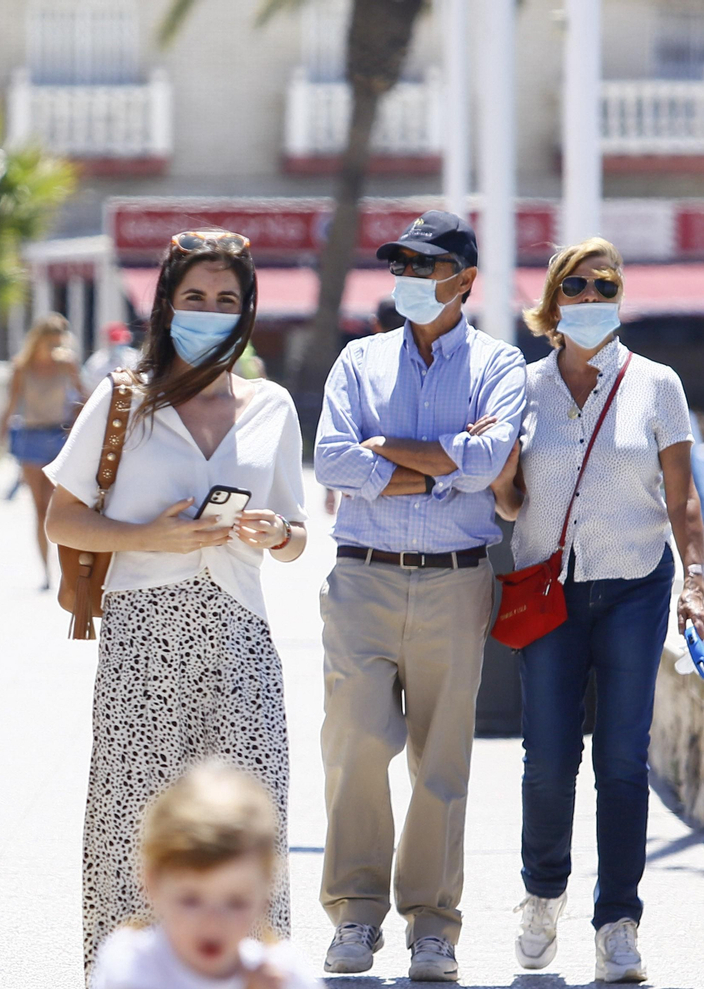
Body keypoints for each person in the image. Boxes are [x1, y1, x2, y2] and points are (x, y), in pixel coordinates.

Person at [44, 229, 309, 977]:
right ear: (166, 303)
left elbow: (296, 537)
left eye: (227, 299)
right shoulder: (123, 397)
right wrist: (147, 536)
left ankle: (254, 972)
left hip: (240, 631)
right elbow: (62, 516)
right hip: (143, 633)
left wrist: (274, 530)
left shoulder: (273, 406)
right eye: (195, 296)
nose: (211, 311)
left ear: (248, 309)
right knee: (131, 822)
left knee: (250, 820)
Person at [313, 210, 525, 983]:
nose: (407, 277)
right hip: (361, 575)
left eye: (425, 265)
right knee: (357, 745)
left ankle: (433, 925)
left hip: (456, 581)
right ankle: (356, 915)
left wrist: (387, 453)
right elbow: (333, 459)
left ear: (465, 280)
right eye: (400, 264)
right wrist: (443, 462)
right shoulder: (356, 360)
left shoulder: (501, 366)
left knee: (442, 761)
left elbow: (490, 459)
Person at [489, 237, 704, 984]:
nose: (591, 296)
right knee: (547, 760)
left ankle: (618, 921)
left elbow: (682, 495)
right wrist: (503, 479)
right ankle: (542, 895)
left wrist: (696, 577)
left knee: (621, 759)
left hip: (635, 585)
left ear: (618, 296)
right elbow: (511, 500)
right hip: (550, 590)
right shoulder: (520, 385)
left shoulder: (657, 384)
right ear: (553, 301)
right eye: (575, 285)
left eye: (604, 284)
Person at [90, 763, 325, 989]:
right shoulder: (132, 968)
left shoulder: (284, 974)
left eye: (235, 902)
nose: (213, 922)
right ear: (152, 884)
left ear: (265, 893)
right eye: (191, 900)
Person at [0, 314, 84, 588]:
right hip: (31, 439)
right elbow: (10, 405)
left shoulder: (66, 365)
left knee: (64, 509)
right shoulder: (21, 367)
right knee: (39, 509)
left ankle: (66, 572)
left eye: (60, 341)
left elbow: (86, 396)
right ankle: (46, 573)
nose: (57, 346)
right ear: (40, 340)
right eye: (52, 341)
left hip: (60, 438)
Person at [80, 321, 140, 393]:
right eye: (115, 342)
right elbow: (87, 385)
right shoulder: (97, 361)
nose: (118, 345)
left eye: (121, 342)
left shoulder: (135, 357)